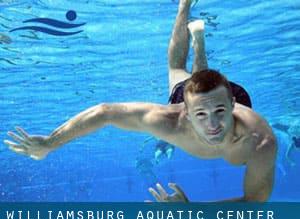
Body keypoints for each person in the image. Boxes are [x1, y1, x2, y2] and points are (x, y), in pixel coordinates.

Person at [4, 0, 277, 202]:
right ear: (184, 110)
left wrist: (192, 210)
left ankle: (199, 43)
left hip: (224, 99)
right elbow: (105, 112)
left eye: (220, 111)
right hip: (202, 96)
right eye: (201, 115)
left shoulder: (260, 140)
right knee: (177, 71)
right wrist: (50, 142)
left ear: (232, 105)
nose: (214, 124)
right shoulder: (170, 120)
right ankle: (185, 6)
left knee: (186, 75)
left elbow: (255, 202)